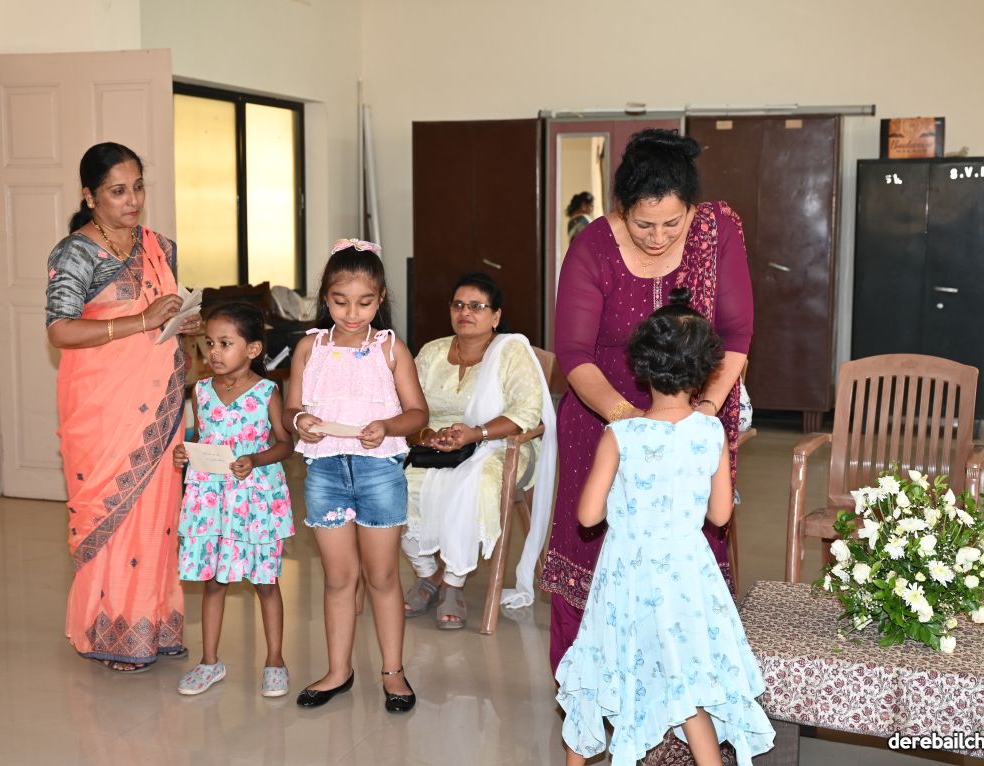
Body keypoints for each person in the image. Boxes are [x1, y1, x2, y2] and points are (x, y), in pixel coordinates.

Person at [541, 128, 754, 675]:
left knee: (686, 554)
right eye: (643, 224)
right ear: (622, 207)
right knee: (593, 551)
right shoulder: (592, 246)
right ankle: (591, 687)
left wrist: (702, 413)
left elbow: (735, 335)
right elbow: (574, 353)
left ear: (691, 209)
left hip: (694, 410)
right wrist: (630, 422)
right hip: (600, 419)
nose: (658, 237)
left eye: (672, 223)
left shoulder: (716, 232)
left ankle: (682, 685)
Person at [555, 294, 774, 766]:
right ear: (705, 371)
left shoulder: (621, 435)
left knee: (599, 668)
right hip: (688, 578)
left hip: (628, 576)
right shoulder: (710, 433)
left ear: (641, 366)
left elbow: (588, 517)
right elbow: (720, 516)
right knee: (687, 679)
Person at [46, 142, 200, 672]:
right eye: (117, 191)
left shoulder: (160, 246)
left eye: (137, 187)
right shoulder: (75, 254)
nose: (132, 200)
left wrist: (181, 322)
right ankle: (110, 629)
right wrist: (141, 320)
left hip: (158, 400)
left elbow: (162, 315)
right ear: (90, 197)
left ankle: (153, 623)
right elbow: (61, 329)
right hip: (103, 408)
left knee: (159, 514)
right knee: (115, 514)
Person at [284, 239, 428, 712]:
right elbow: (290, 407)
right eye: (340, 301)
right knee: (338, 578)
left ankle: (393, 671)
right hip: (325, 473)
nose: (352, 313)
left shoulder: (390, 349)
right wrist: (299, 420)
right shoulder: (310, 348)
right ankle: (338, 670)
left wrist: (387, 426)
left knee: (382, 577)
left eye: (364, 303)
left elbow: (418, 414)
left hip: (378, 472)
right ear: (325, 298)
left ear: (380, 298)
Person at [399, 273, 557, 629]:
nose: (465, 312)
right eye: (458, 305)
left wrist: (476, 433)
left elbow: (526, 413)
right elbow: (409, 407)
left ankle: (453, 583)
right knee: (398, 486)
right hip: (436, 448)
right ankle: (428, 575)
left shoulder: (511, 351)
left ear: (496, 316)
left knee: (475, 484)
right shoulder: (432, 352)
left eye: (476, 306)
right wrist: (428, 435)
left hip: (498, 443)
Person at [172, 302, 296, 697]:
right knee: (214, 580)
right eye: (209, 343)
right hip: (212, 499)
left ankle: (274, 660)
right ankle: (210, 662)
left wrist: (254, 459)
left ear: (253, 349)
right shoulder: (201, 391)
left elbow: (285, 444)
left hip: (254, 501)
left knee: (265, 582)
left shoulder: (266, 392)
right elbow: (201, 436)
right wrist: (186, 451)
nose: (214, 352)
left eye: (225, 343)